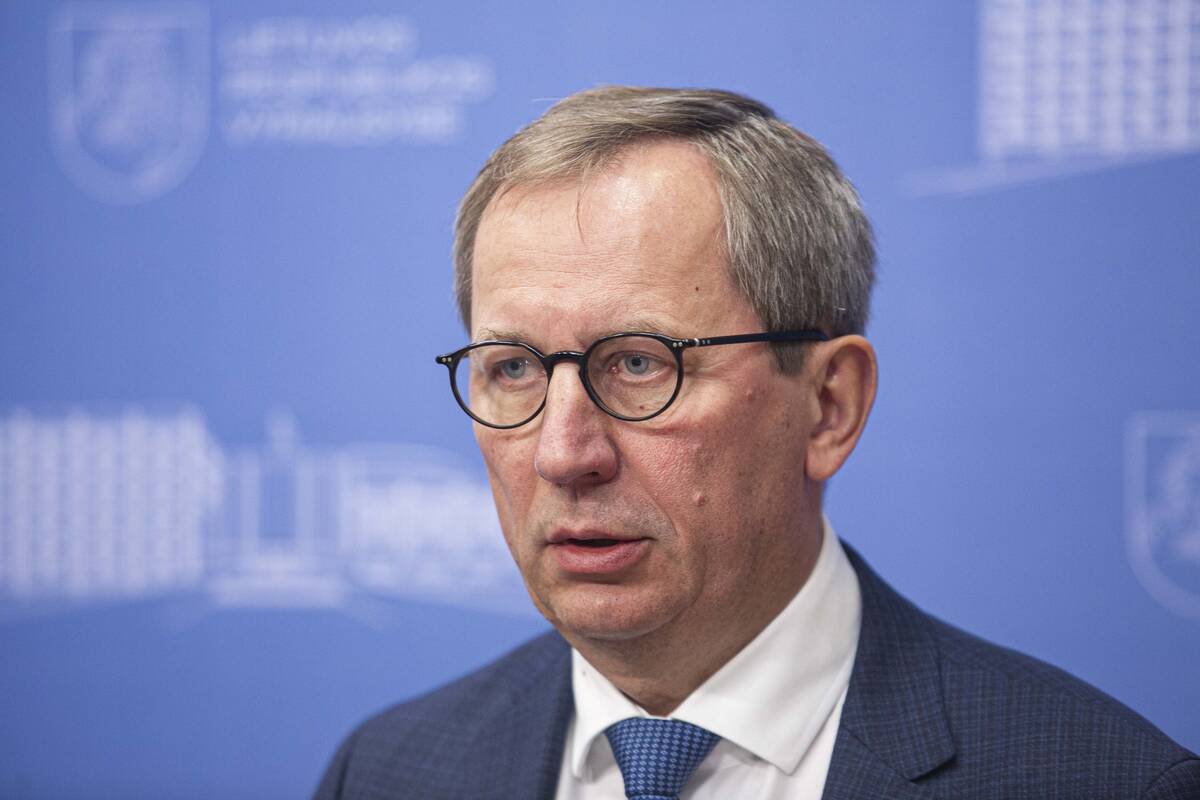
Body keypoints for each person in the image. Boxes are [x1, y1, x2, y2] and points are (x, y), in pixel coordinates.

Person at [314, 86, 1199, 799]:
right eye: (513, 368)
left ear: (828, 406)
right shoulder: (391, 771)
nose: (562, 453)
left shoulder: (1097, 779)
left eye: (639, 363)